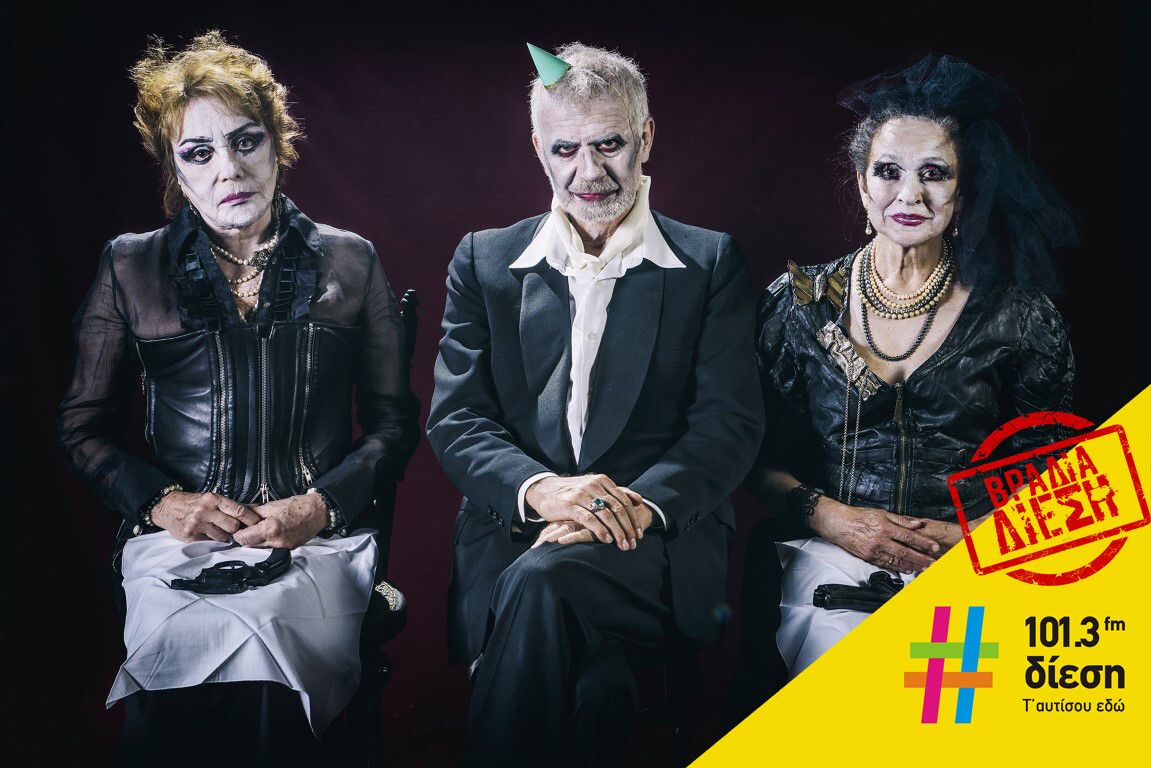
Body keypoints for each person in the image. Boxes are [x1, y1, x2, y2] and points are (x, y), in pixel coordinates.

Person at [57, 32, 418, 765]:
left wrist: (321, 506)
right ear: (176, 172)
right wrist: (164, 504)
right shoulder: (131, 265)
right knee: (187, 654)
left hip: (318, 539)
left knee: (267, 664)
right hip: (176, 545)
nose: (229, 168)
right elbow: (83, 430)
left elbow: (392, 424)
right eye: (199, 153)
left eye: (246, 140)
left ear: (277, 143)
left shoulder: (350, 260)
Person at [427, 43, 763, 765]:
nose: (589, 171)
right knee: (594, 692)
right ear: (538, 150)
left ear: (645, 137)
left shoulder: (708, 264)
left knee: (541, 585)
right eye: (566, 149)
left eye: (609, 144)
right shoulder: (483, 261)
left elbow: (728, 426)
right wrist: (543, 492)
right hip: (514, 534)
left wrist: (630, 508)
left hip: (653, 544)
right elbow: (457, 419)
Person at [743, 53, 1076, 685]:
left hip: (972, 565)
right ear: (861, 184)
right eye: (888, 171)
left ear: (964, 191)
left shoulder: (1020, 316)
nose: (910, 195)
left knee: (945, 711)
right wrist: (836, 520)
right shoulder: (799, 304)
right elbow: (754, 459)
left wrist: (969, 539)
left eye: (935, 174)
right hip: (832, 555)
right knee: (849, 688)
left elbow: (1054, 480)